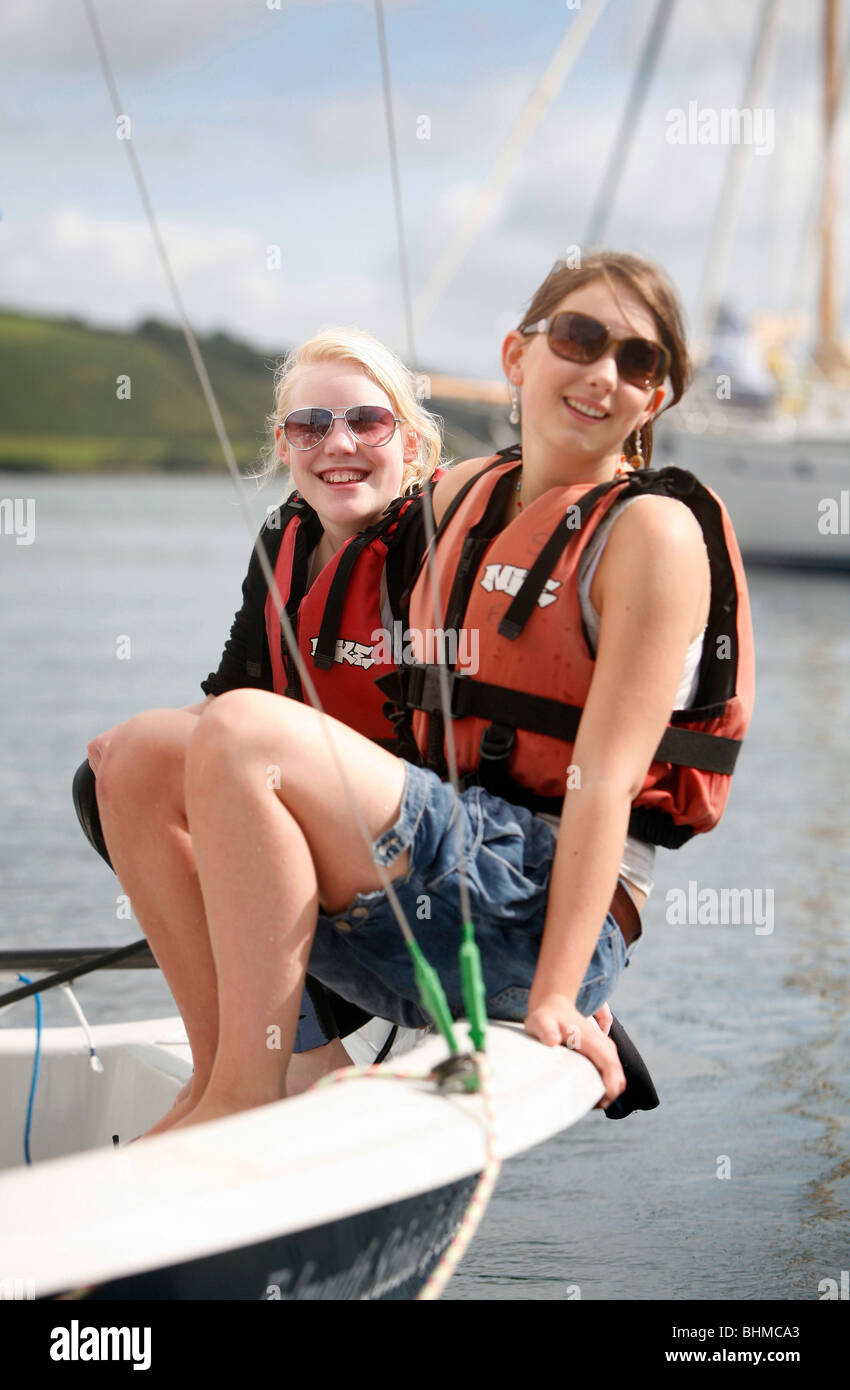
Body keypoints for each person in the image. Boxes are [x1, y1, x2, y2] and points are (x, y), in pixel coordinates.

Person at [131, 250, 753, 1134]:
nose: (604, 372)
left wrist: (560, 996)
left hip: (533, 911)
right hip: (439, 879)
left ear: (655, 399)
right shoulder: (463, 494)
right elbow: (356, 503)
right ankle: (244, 1072)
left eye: (639, 361)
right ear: (518, 355)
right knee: (134, 758)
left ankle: (238, 1102)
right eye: (579, 337)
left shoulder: (652, 533)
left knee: (243, 733)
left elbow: (605, 780)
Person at [79, 328, 443, 1132]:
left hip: (404, 865)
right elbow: (235, 693)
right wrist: (130, 758)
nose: (337, 444)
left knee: (224, 790)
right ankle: (224, 1071)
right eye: (310, 426)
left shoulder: (436, 547)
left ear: (411, 443)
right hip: (298, 810)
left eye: (367, 423)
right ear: (284, 446)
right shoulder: (285, 539)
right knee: (105, 769)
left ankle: (302, 1067)